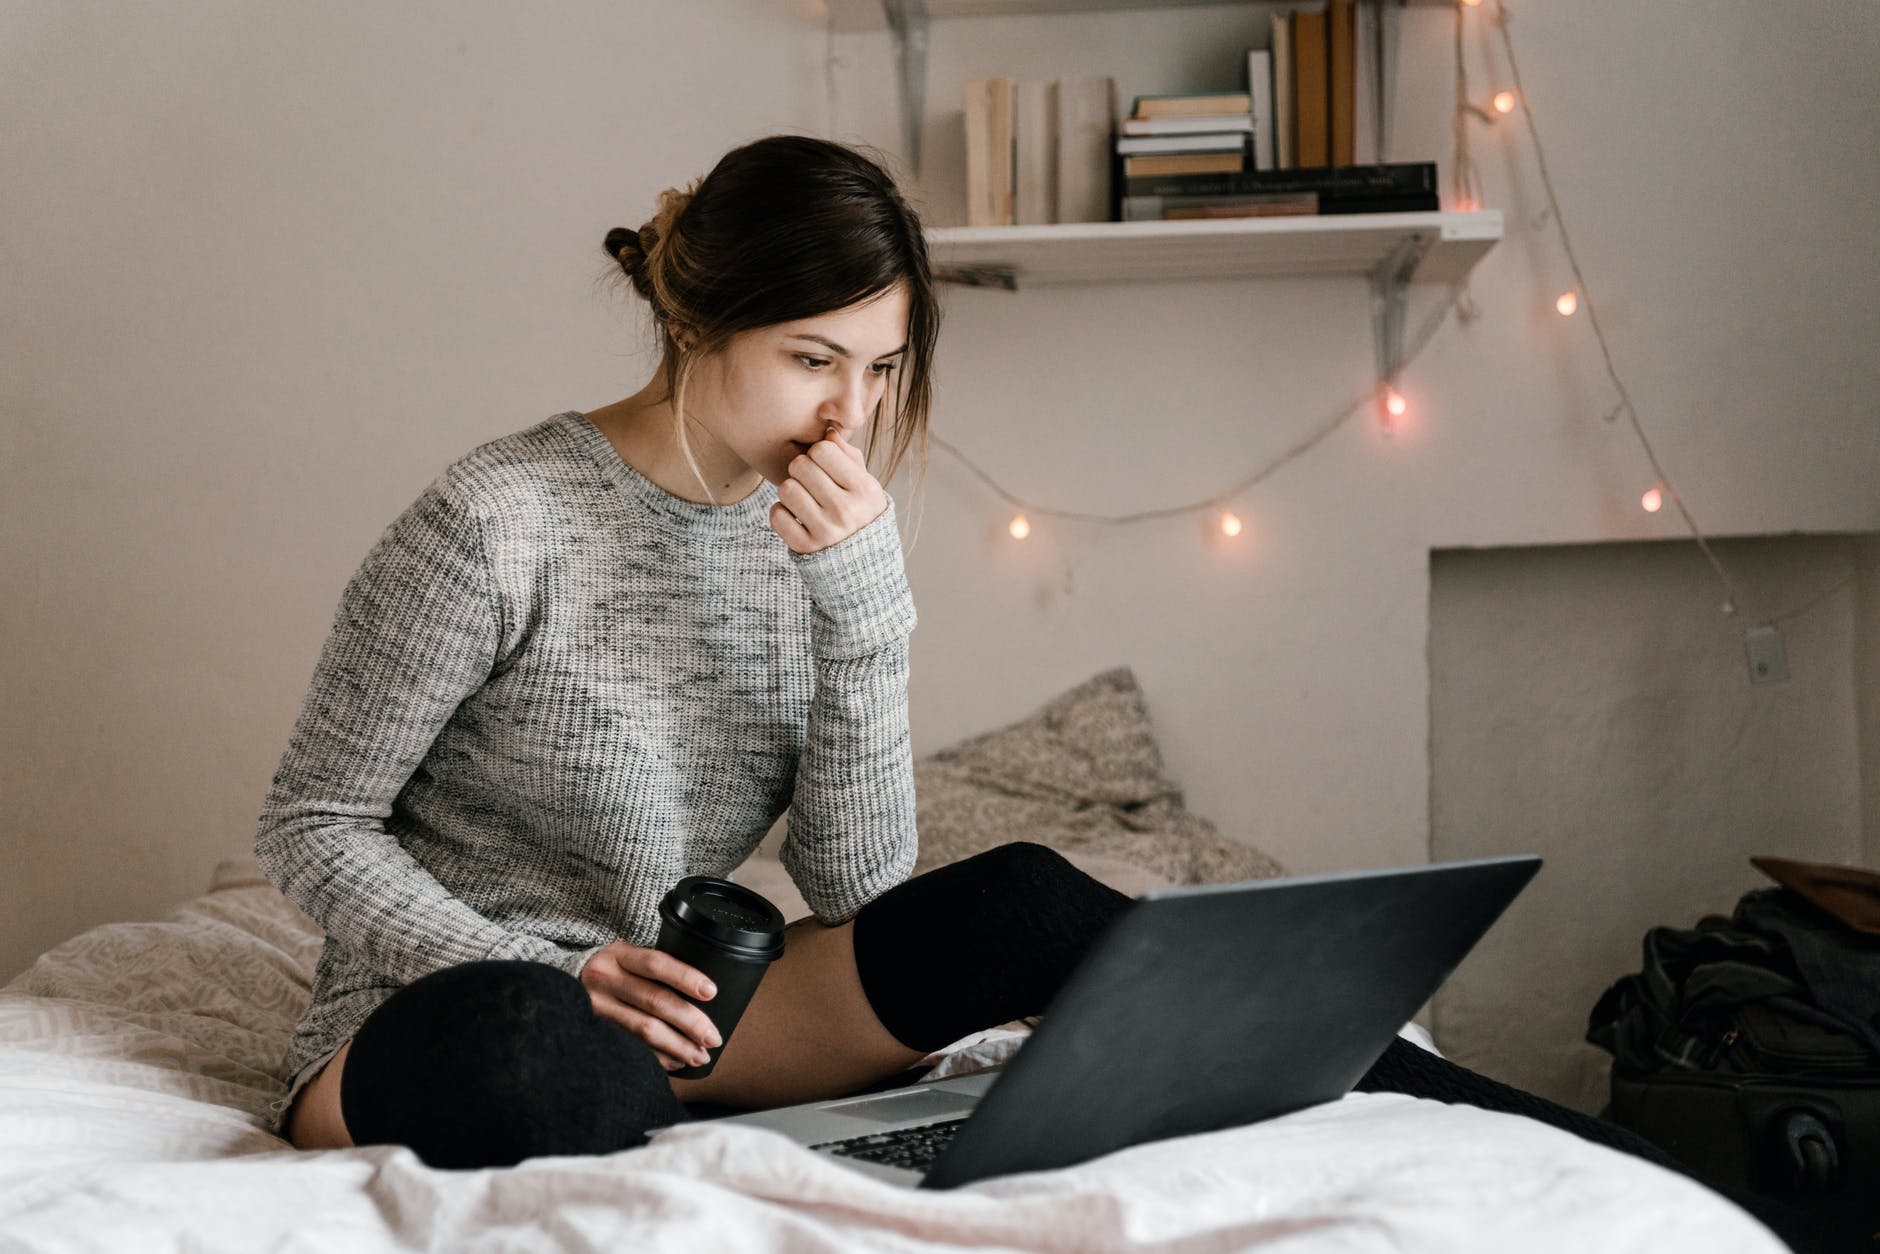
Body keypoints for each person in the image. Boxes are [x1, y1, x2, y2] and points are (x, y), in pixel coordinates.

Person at [251, 132, 1821, 1251]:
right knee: (541, 1054)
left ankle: (1542, 1129)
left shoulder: (821, 531)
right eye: (814, 360)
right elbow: (313, 821)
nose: (849, 416)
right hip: (454, 1003)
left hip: (690, 1002)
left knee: (1024, 899)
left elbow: (856, 884)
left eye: (880, 370)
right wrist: (541, 958)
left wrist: (866, 613)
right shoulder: (495, 519)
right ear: (692, 322)